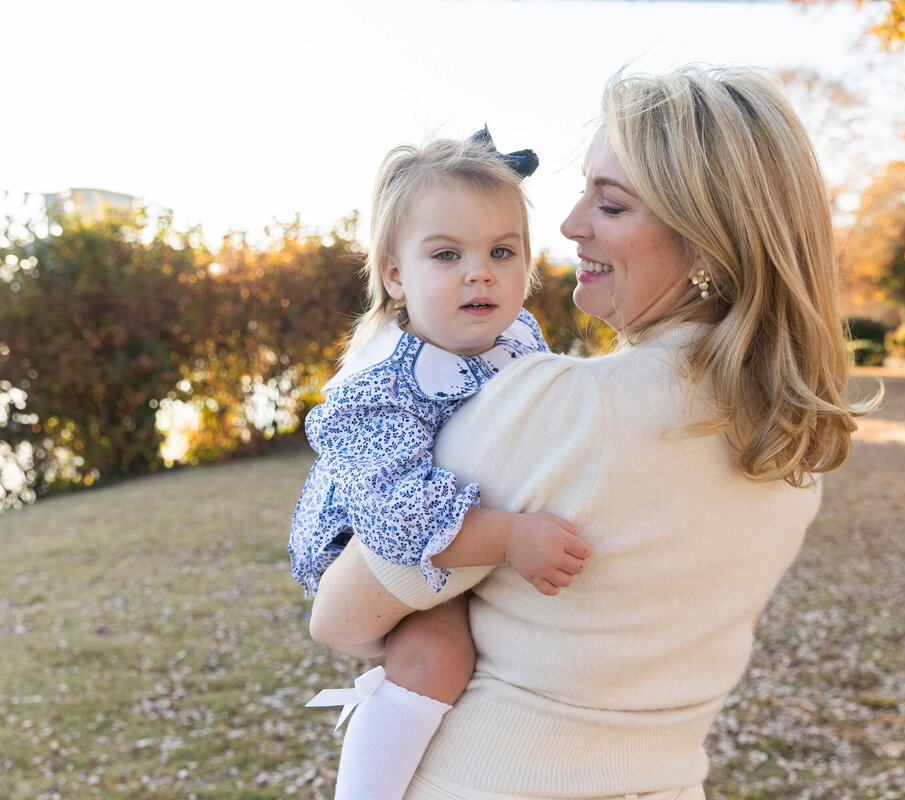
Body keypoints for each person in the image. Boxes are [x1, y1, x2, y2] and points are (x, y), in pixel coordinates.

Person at [309, 65, 871, 800]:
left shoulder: (557, 408)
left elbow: (340, 617)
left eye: (609, 204)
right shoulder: (793, 444)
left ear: (705, 240)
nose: (570, 226)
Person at [289, 130, 593, 799]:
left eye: (501, 251)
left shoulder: (514, 335)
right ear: (396, 275)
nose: (479, 271)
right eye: (446, 254)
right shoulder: (380, 388)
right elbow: (398, 521)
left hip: (455, 521)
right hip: (368, 538)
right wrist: (513, 536)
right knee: (437, 656)